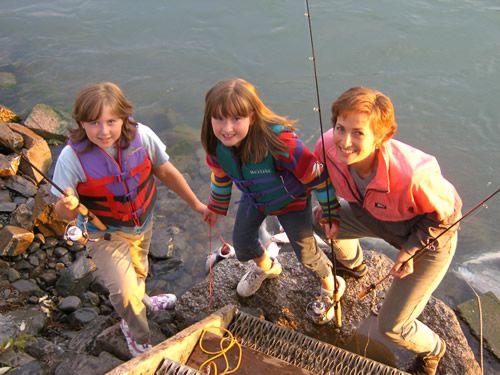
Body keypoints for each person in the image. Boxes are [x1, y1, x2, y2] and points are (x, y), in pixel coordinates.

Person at [52, 82, 211, 358]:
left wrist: (197, 204)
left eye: (111, 121)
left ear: (124, 116)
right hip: (103, 234)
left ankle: (144, 299)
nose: (103, 131)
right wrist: (67, 205)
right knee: (125, 292)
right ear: (81, 123)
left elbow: (166, 171)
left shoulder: (144, 136)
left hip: (142, 223)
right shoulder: (70, 158)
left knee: (138, 270)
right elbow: (60, 214)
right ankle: (137, 335)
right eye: (93, 123)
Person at [314, 86, 461, 374]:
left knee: (393, 326)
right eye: (340, 128)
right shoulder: (327, 146)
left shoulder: (414, 175)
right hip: (369, 213)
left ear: (383, 137)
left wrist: (410, 250)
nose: (344, 142)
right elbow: (320, 175)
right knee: (316, 219)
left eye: (358, 133)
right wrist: (330, 209)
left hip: (427, 240)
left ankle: (434, 349)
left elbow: (448, 217)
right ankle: (355, 266)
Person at [200, 78, 345, 325]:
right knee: (243, 244)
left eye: (236, 119)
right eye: (219, 118)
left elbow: (317, 171)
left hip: (292, 202)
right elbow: (221, 177)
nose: (227, 128)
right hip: (255, 199)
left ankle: (330, 285)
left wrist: (330, 211)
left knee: (308, 255)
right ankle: (268, 267)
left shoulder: (280, 142)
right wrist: (215, 206)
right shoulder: (217, 147)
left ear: (252, 117)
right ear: (209, 119)